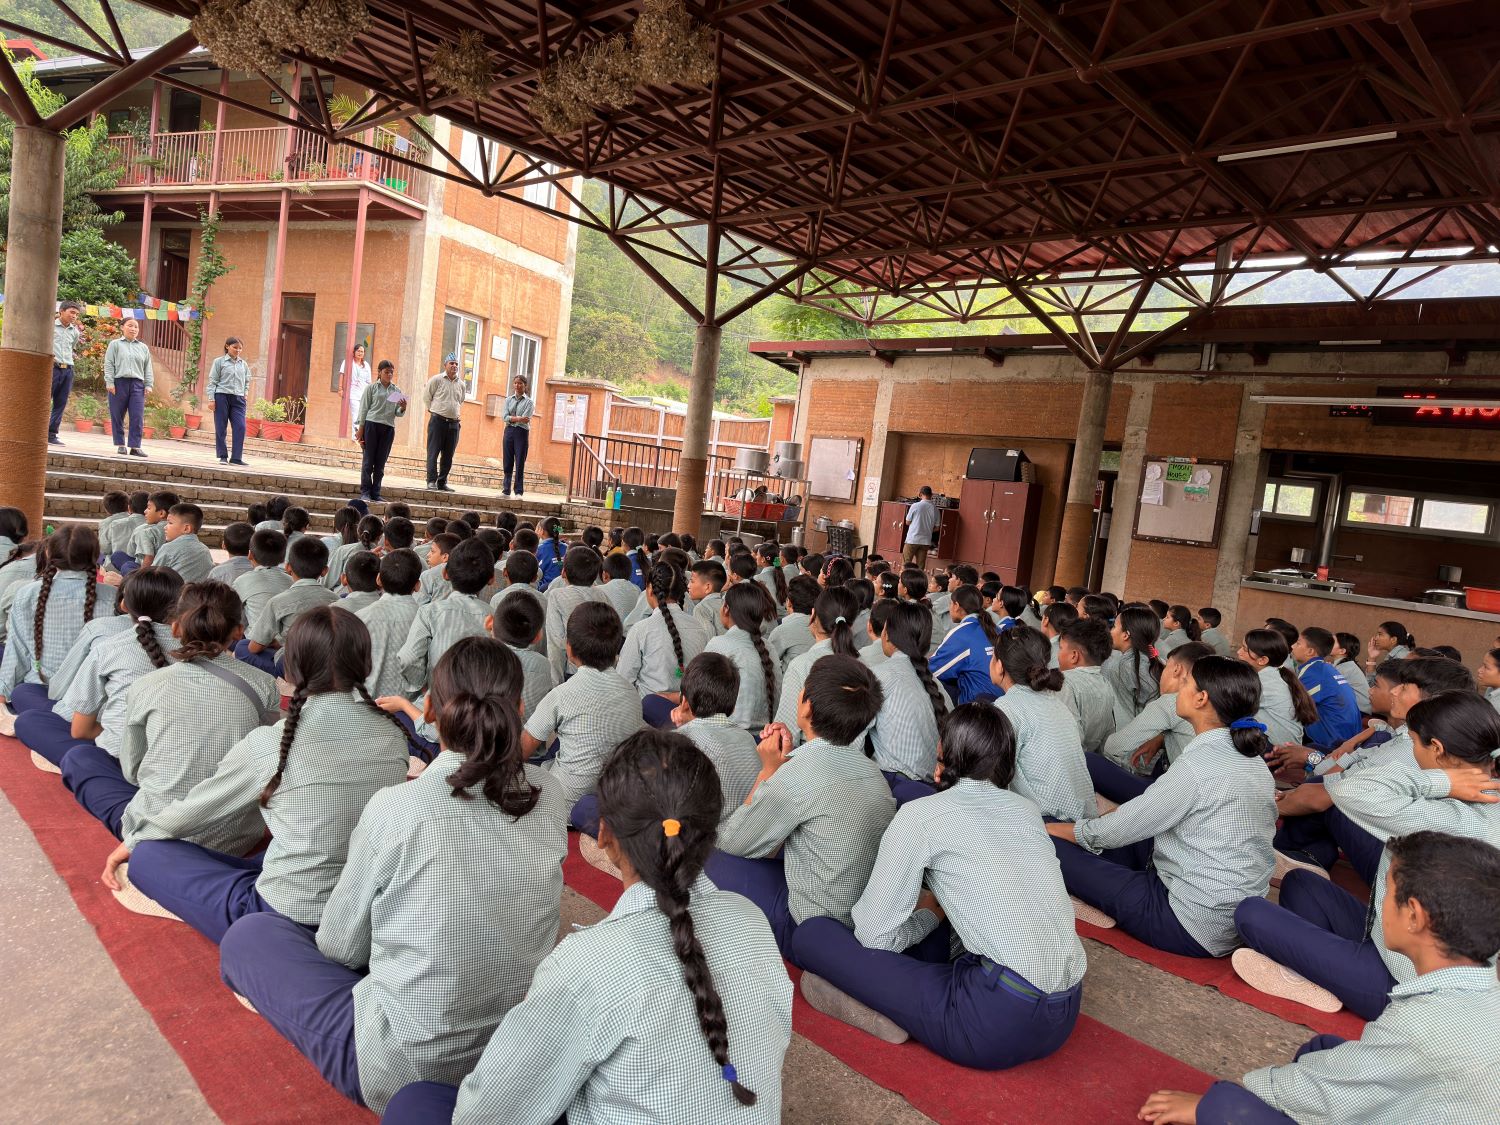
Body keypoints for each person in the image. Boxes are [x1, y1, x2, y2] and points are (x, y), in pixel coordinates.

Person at [220, 637, 568, 1113]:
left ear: (431, 709)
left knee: (250, 935)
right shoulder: (550, 795)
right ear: (521, 708)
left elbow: (341, 947)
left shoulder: (399, 808)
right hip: (505, 1054)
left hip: (399, 1061)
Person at [381, 730, 793, 1125]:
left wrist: (537, 1014)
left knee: (415, 1104)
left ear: (604, 835)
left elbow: (485, 1115)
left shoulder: (586, 965)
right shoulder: (750, 919)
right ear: (709, 833)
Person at [792, 703, 1086, 1068]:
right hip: (1064, 1016)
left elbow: (873, 937)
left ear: (945, 758)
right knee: (935, 947)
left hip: (992, 1025)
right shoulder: (1026, 810)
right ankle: (901, 1002)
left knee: (813, 935)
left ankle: (883, 1007)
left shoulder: (920, 816)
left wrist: (931, 913)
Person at [1142, 830, 1500, 1125]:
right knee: (1323, 1049)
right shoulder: (1479, 992)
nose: (1381, 904)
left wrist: (1227, 1101)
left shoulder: (1420, 1023)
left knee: (1226, 1105)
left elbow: (1306, 1093)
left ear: (1414, 916)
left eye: (1387, 894)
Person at [110, 608, 414, 943]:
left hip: (288, 911)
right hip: (361, 907)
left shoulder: (271, 743)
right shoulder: (394, 735)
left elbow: (194, 811)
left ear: (291, 666)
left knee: (151, 855)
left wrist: (134, 839)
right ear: (365, 663)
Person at [1233, 689, 1500, 1020]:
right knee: (1300, 883)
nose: (1411, 753)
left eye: (1414, 743)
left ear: (1438, 750)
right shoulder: (1478, 796)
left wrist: (1438, 781)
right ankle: (1326, 972)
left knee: (1251, 913)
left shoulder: (1458, 818)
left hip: (1402, 982)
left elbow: (1349, 791)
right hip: (1383, 937)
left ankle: (1328, 976)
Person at [1047, 655, 1277, 958]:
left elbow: (1114, 831)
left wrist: (1055, 830)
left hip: (1185, 921)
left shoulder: (1199, 765)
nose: (1177, 689)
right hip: (1224, 912)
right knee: (1106, 833)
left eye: (1185, 683)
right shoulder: (1253, 761)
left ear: (1201, 698)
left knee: (1047, 841)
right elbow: (1141, 817)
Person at [60, 580, 280, 843]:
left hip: (156, 834)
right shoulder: (265, 683)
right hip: (235, 837)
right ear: (238, 631)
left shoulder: (146, 685)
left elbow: (133, 771)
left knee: (79, 758)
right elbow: (264, 748)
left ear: (175, 627)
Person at [708, 654, 895, 960]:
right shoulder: (873, 773)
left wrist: (768, 771)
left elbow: (733, 841)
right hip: (859, 915)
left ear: (807, 705)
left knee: (709, 858)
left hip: (811, 925)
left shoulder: (798, 773)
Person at [521, 601, 643, 823]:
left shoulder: (561, 694)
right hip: (613, 801)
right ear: (617, 647)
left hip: (565, 803)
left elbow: (522, 751)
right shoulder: (631, 693)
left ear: (569, 648)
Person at [992, 625, 1096, 823]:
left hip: (1046, 822)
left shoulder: (1006, 708)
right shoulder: (1055, 701)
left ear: (999, 665)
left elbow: (990, 781)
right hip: (1080, 817)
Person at [354, 359, 406, 503]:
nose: (389, 375)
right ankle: (365, 492)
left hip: (388, 428)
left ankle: (376, 493)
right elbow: (364, 408)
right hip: (371, 425)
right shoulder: (371, 388)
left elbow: (398, 412)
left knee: (380, 462)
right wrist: (361, 429)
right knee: (368, 460)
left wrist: (403, 407)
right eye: (386, 372)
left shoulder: (396, 391)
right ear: (379, 372)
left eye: (391, 372)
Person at [103, 317, 153, 457]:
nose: (133, 329)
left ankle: (135, 446)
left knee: (137, 416)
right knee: (117, 415)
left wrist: (148, 384)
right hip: (119, 383)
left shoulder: (143, 348)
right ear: (122, 327)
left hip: (137, 384)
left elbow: (147, 367)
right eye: (130, 326)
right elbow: (109, 364)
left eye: (136, 327)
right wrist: (110, 382)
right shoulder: (115, 344)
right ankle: (120, 444)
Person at [206, 337, 251, 466]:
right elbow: (213, 381)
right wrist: (211, 399)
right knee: (221, 426)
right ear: (227, 346)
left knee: (241, 427)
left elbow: (247, 380)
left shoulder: (243, 364)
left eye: (240, 348)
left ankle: (236, 458)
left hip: (239, 399)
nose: (238, 350)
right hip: (221, 396)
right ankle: (223, 456)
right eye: (235, 347)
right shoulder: (219, 362)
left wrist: (245, 393)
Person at [423, 354, 464, 492]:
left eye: (456, 364)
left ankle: (442, 482)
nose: (454, 366)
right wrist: (434, 410)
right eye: (451, 363)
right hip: (437, 422)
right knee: (433, 452)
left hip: (453, 424)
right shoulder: (436, 379)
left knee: (448, 456)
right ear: (445, 365)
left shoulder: (461, 384)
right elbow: (427, 397)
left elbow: (460, 401)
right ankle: (431, 481)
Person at [48, 300, 83, 446]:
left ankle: (51, 434)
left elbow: (72, 347)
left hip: (68, 369)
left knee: (60, 403)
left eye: (76, 314)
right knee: (44, 401)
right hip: (52, 369)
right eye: (71, 312)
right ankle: (36, 431)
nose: (74, 316)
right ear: (61, 311)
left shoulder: (74, 331)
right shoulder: (50, 327)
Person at [501, 374, 533, 497]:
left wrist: (512, 418)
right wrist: (518, 418)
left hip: (521, 433)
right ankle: (506, 489)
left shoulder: (529, 402)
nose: (517, 385)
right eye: (515, 383)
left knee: (520, 461)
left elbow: (526, 418)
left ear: (525, 385)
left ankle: (518, 491)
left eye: (520, 383)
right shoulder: (508, 400)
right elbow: (504, 417)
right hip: (509, 431)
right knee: (507, 460)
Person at [903, 485, 938, 570]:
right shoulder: (935, 509)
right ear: (931, 495)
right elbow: (937, 528)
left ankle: (904, 582)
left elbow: (907, 522)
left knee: (906, 564)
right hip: (925, 541)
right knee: (920, 567)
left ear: (920, 494)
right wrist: (927, 530)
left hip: (912, 539)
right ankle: (918, 583)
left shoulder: (915, 506)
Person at [340, 342, 371, 436]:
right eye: (358, 351)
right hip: (352, 393)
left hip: (364, 394)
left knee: (363, 415)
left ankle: (361, 435)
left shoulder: (366, 365)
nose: (360, 353)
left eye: (362, 351)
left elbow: (369, 382)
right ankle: (355, 436)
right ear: (354, 352)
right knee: (356, 414)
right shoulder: (347, 362)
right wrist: (340, 388)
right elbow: (342, 374)